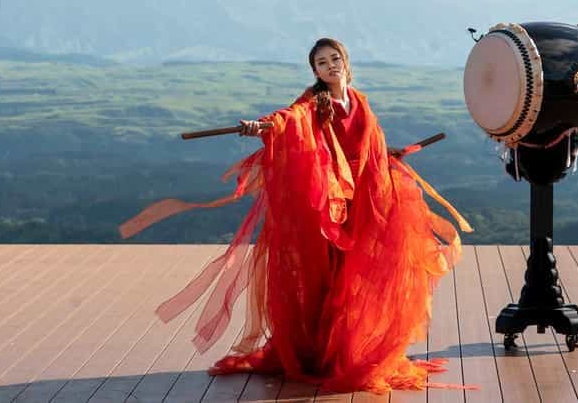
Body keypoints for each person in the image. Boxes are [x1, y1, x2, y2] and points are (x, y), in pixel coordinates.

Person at [118, 38, 476, 394]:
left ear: (346, 63)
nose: (330, 66)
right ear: (316, 72)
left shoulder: (360, 101)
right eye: (322, 63)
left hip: (364, 202)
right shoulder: (315, 102)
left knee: (357, 278)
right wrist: (260, 126)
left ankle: (349, 349)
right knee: (331, 278)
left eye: (335, 59)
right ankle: (324, 354)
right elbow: (289, 119)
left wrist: (387, 153)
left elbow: (369, 144)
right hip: (333, 205)